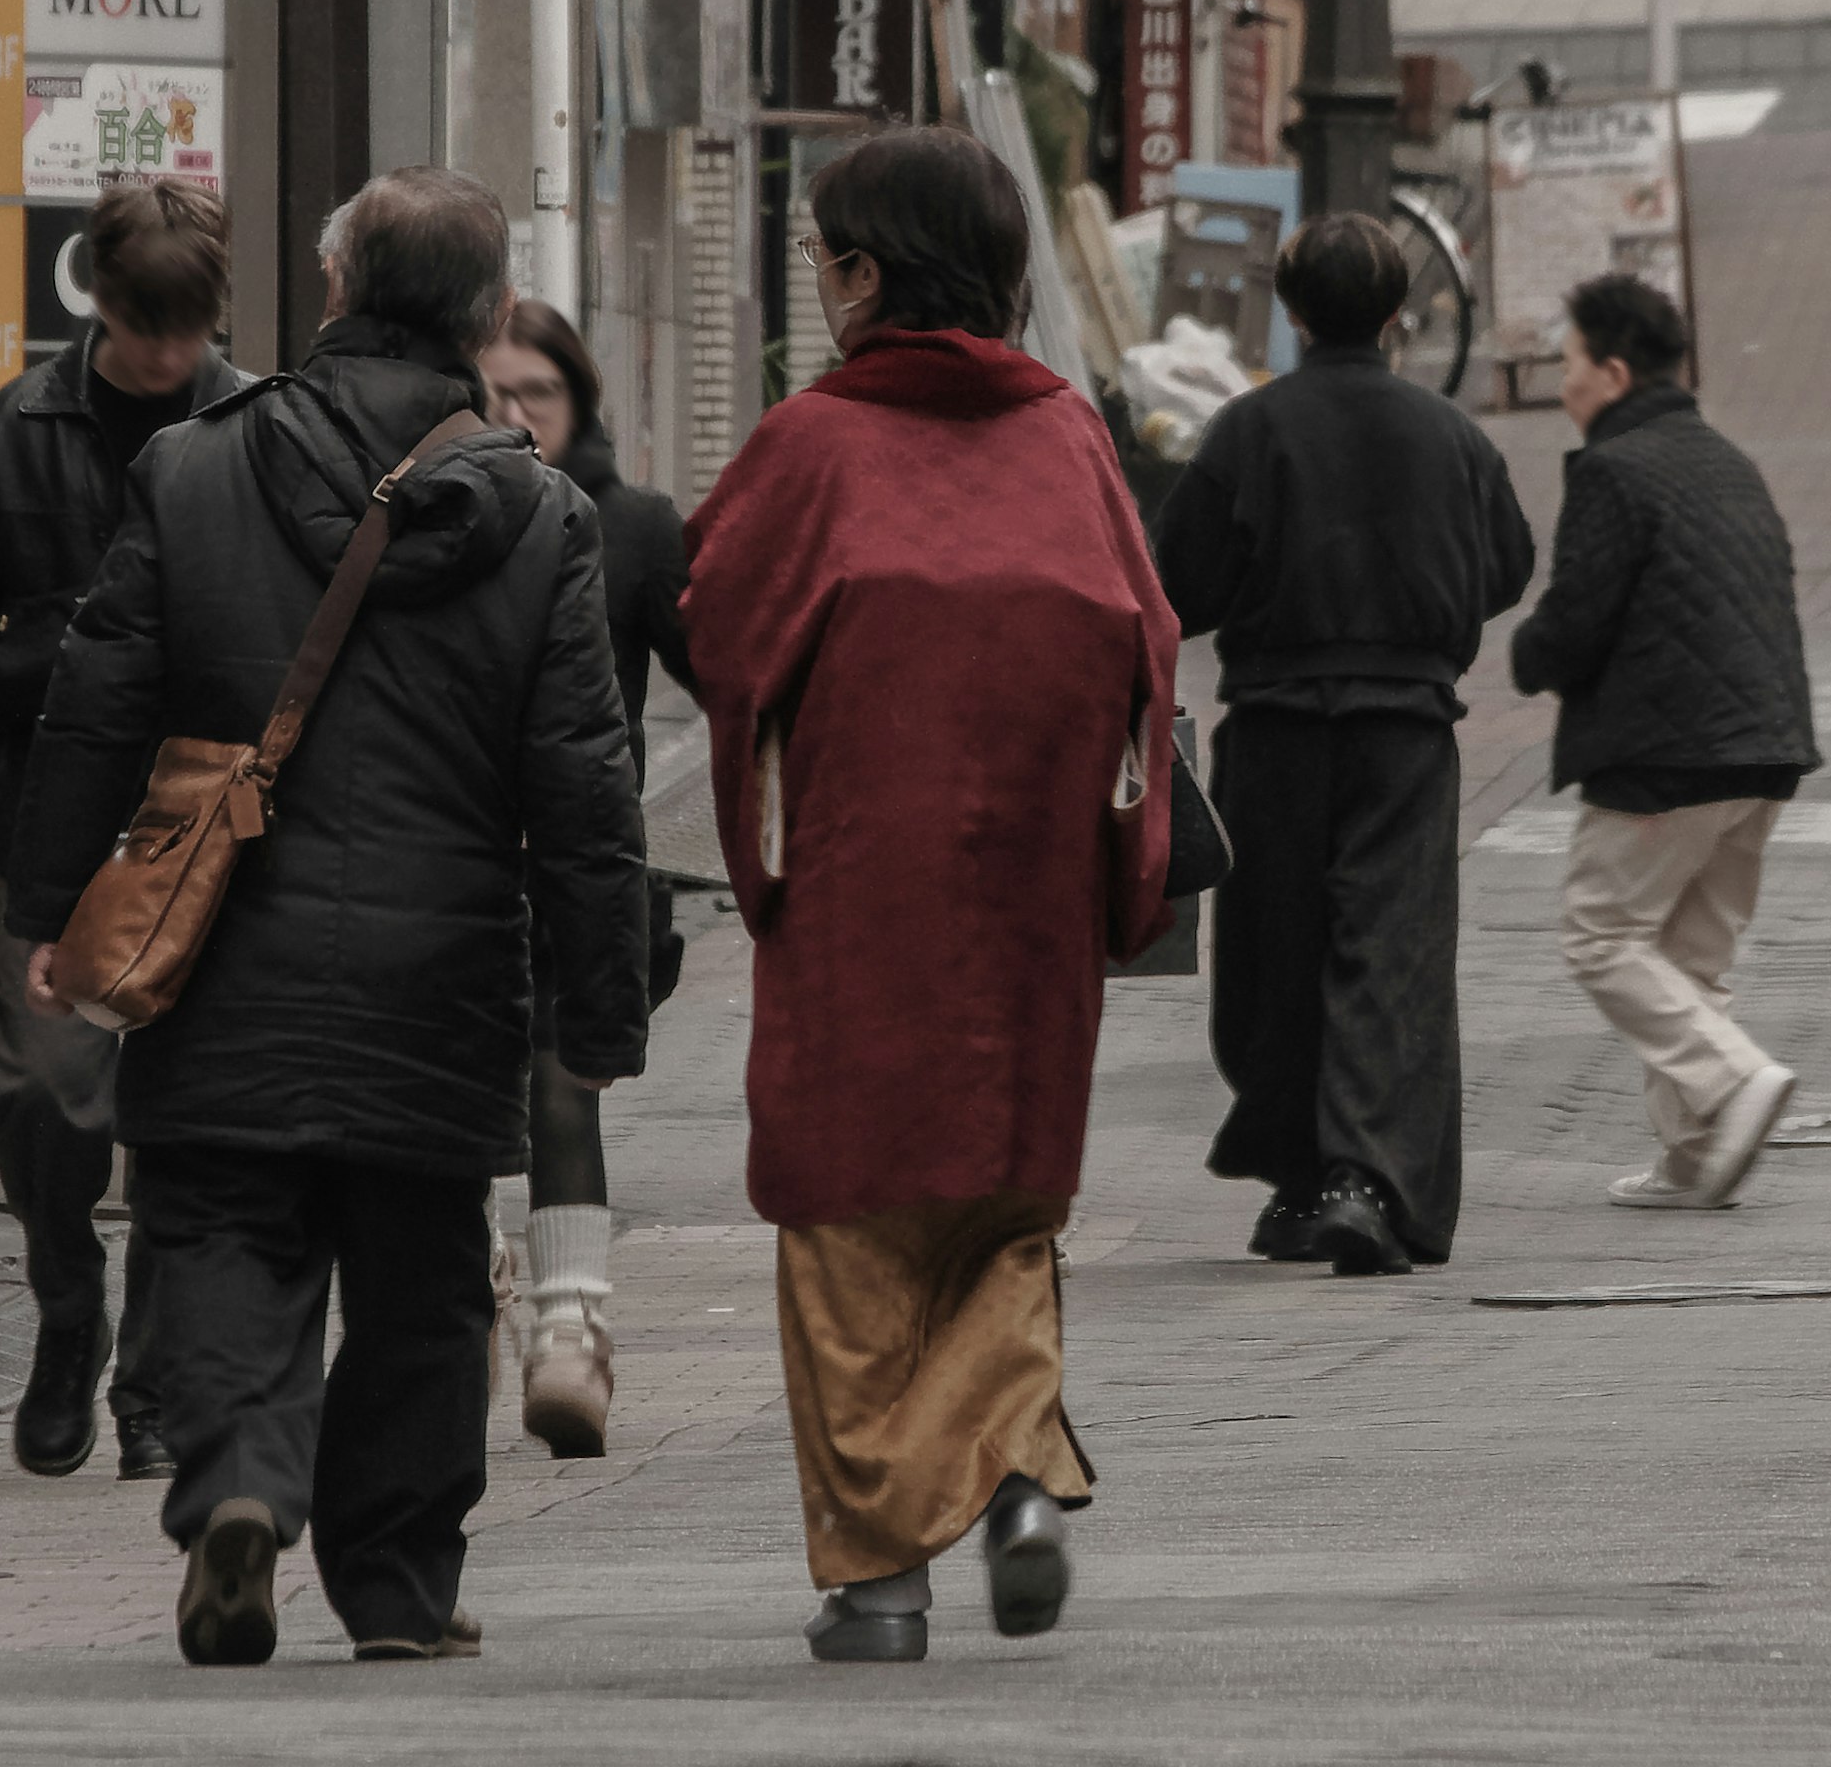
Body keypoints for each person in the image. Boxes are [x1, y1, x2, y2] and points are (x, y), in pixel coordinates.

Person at [4, 167, 647, 1666]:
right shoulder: (539, 516)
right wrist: (597, 1004)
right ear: (487, 319)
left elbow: (95, 707)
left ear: (337, 289)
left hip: (222, 946)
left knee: (222, 1233)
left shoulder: (192, 468)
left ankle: (237, 1486)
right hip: (444, 971)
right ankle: (401, 1589)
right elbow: (583, 789)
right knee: (421, 1284)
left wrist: (45, 908)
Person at [683, 127, 1174, 1665]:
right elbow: (1147, 646)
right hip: (1028, 908)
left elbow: (720, 627)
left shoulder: (817, 444)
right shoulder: (1067, 439)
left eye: (827, 257)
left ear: (867, 272)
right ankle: (1019, 1467)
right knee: (1003, 1214)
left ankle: (879, 1584)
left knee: (846, 1227)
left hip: (859, 902)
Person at [0, 177, 253, 1480]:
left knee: (179, 1113)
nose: (169, 355)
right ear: (97, 304)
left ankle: (149, 1392)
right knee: (43, 1090)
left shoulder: (249, 421)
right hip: (44, 809)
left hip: (204, 818)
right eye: (146, 327)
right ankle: (64, 1303)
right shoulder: (16, 432)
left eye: (189, 330)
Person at [1152, 213, 1536, 1276]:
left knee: (1276, 953)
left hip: (1276, 722)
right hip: (1407, 728)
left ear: (1291, 310)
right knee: (1387, 951)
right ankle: (1363, 1176)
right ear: (1399, 312)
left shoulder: (1249, 430)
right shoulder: (1451, 433)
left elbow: (1176, 583)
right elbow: (1506, 563)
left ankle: (1314, 1175)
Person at [1510, 272, 1815, 1210]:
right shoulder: (1727, 458)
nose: (1560, 385)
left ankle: (1731, 1081)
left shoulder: (1614, 469)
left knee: (1600, 935)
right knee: (1691, 961)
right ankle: (1692, 1158)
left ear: (1610, 371)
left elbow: (1577, 619)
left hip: (1664, 755)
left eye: (1566, 364)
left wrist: (1527, 653)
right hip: (1764, 747)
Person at [477, 299, 692, 1456]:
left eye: (538, 395)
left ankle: (570, 1331)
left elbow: (726, 674)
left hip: (582, 863)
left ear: (579, 403)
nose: (514, 415)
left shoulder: (637, 527)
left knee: (565, 1087)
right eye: (493, 393)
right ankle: (478, 1294)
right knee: (454, 1097)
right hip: (449, 858)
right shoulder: (426, 516)